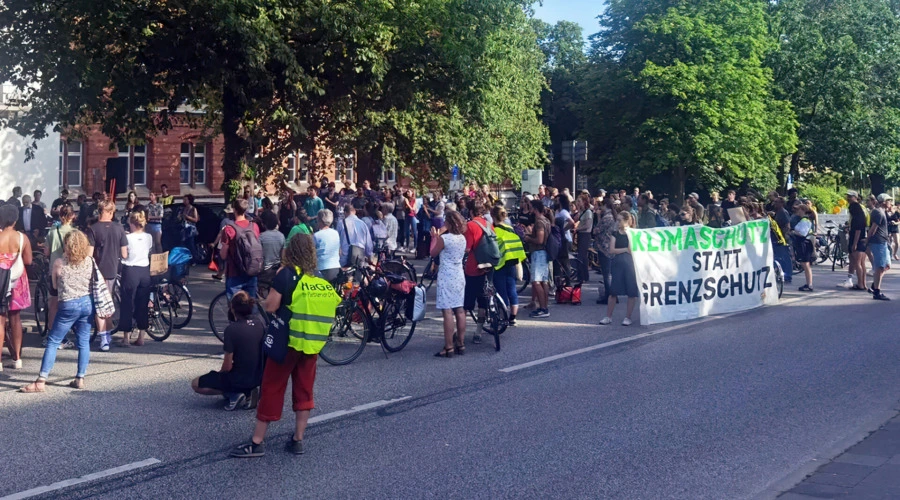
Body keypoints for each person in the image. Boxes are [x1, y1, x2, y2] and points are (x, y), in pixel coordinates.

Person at [230, 234, 340, 458]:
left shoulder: (286, 275)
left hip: (287, 343)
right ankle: (298, 439)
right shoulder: (318, 278)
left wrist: (266, 295)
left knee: (272, 387)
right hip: (310, 344)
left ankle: (257, 442)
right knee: (304, 389)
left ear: (290, 252)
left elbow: (271, 306)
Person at [19, 230, 92, 392]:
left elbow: (53, 288)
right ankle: (80, 377)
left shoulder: (60, 263)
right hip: (86, 303)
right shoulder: (90, 261)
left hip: (68, 304)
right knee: (83, 341)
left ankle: (41, 380)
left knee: (53, 341)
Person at [193, 291, 265, 410]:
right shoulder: (259, 323)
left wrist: (219, 378)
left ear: (233, 308)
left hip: (239, 378)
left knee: (196, 383)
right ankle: (248, 392)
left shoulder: (231, 330)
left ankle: (235, 394)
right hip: (258, 376)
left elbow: (227, 367)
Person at [86, 200, 128, 351]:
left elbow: (89, 255)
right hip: (113, 269)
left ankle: (103, 338)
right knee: (108, 303)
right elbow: (124, 253)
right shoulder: (119, 228)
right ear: (111, 212)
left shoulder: (93, 229)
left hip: (98, 270)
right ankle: (107, 335)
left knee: (99, 305)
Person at [431, 210, 467, 358]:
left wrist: (435, 237)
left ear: (450, 223)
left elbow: (433, 253)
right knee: (460, 309)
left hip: (446, 275)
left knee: (447, 311)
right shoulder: (462, 238)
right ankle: (461, 342)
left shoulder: (445, 239)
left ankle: (449, 346)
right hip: (459, 274)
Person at [0, 204, 32, 370]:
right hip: (17, 280)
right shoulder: (22, 238)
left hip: (0, 279)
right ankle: (17, 358)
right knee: (15, 318)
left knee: (0, 319)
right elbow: (28, 261)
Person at [118, 212, 153, 347]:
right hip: (144, 270)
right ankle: (141, 336)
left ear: (132, 224)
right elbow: (148, 250)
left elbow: (124, 255)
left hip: (131, 269)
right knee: (142, 303)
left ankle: (126, 337)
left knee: (127, 302)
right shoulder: (148, 237)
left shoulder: (128, 237)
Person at [600, 212, 639, 326]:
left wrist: (627, 249)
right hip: (617, 263)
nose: (617, 222)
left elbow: (633, 249)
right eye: (617, 220)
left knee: (631, 292)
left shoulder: (632, 234)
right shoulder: (615, 233)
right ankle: (608, 316)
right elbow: (612, 250)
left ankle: (628, 317)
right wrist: (625, 250)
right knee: (613, 291)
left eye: (620, 220)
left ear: (627, 221)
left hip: (630, 264)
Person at [45, 204, 77, 336]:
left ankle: (51, 330)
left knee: (53, 301)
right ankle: (67, 330)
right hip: (70, 269)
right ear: (72, 216)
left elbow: (46, 252)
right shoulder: (74, 233)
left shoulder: (52, 232)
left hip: (54, 268)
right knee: (70, 301)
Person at [221, 199, 261, 300]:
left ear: (234, 210)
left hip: (234, 272)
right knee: (252, 305)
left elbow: (223, 255)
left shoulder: (229, 229)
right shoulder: (254, 226)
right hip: (251, 270)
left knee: (235, 307)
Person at [492, 206, 525, 327]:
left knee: (501, 292)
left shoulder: (494, 230)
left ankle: (503, 317)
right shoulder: (510, 229)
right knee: (512, 290)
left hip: (500, 264)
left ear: (493, 216)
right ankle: (513, 318)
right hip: (512, 261)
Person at [463, 200, 491, 343]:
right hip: (489, 264)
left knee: (468, 301)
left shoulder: (471, 225)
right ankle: (479, 331)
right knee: (483, 299)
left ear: (471, 211)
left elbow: (467, 248)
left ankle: (460, 332)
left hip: (474, 266)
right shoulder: (488, 223)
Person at [523, 199, 551, 318]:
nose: (529, 209)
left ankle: (543, 308)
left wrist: (528, 238)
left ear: (535, 208)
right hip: (544, 253)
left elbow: (540, 240)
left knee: (536, 281)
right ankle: (544, 306)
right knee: (543, 281)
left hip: (539, 252)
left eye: (530, 207)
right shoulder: (546, 220)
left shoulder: (539, 222)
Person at [867, 194, 892, 301]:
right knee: (880, 267)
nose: (890, 203)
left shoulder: (882, 212)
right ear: (883, 202)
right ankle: (876, 292)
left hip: (883, 242)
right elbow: (873, 229)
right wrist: (867, 241)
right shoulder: (878, 212)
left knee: (886, 265)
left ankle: (874, 286)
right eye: (889, 201)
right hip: (878, 243)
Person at [258, 211, 285, 294]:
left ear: (264, 223)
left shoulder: (261, 237)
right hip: (277, 270)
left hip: (264, 271)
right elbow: (283, 256)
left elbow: (259, 256)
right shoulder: (281, 236)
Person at [338, 204, 373, 269]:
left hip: (345, 257)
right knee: (358, 277)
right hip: (359, 256)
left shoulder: (341, 223)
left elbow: (337, 241)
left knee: (345, 277)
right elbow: (368, 243)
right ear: (355, 211)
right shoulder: (363, 224)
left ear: (345, 212)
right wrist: (369, 257)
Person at [790, 203, 814, 292]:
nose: (797, 212)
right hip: (804, 243)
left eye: (799, 210)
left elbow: (803, 233)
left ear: (803, 210)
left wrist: (792, 232)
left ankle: (809, 284)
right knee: (805, 264)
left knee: (806, 264)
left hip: (804, 243)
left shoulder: (805, 220)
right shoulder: (804, 220)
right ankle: (808, 283)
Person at [847, 191, 869, 291]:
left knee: (857, 263)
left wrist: (854, 243)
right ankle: (863, 283)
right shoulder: (862, 211)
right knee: (862, 263)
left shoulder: (856, 214)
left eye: (849, 197)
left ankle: (860, 284)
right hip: (863, 238)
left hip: (857, 239)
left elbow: (857, 229)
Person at [314, 209, 341, 283]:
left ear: (320, 220)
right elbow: (339, 251)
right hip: (336, 267)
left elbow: (312, 253)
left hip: (322, 268)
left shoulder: (317, 235)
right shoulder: (336, 233)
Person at [770, 197, 793, 285]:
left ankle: (788, 276)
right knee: (780, 257)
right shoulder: (777, 212)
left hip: (782, 238)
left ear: (781, 203)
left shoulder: (783, 212)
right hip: (777, 238)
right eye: (774, 202)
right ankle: (782, 274)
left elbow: (787, 225)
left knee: (786, 257)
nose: (774, 204)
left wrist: (785, 237)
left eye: (776, 202)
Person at [575, 194, 593, 283]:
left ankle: (583, 276)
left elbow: (587, 225)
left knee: (582, 255)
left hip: (585, 235)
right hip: (581, 234)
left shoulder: (588, 212)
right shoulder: (582, 212)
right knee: (582, 256)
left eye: (579, 201)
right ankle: (582, 275)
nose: (578, 203)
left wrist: (576, 229)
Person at [179, 194, 199, 261]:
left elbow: (196, 219)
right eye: (183, 199)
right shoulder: (183, 208)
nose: (184, 201)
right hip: (184, 228)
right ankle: (185, 258)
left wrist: (188, 217)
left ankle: (194, 259)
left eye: (185, 199)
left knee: (191, 244)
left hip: (190, 229)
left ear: (189, 200)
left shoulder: (193, 209)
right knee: (183, 244)